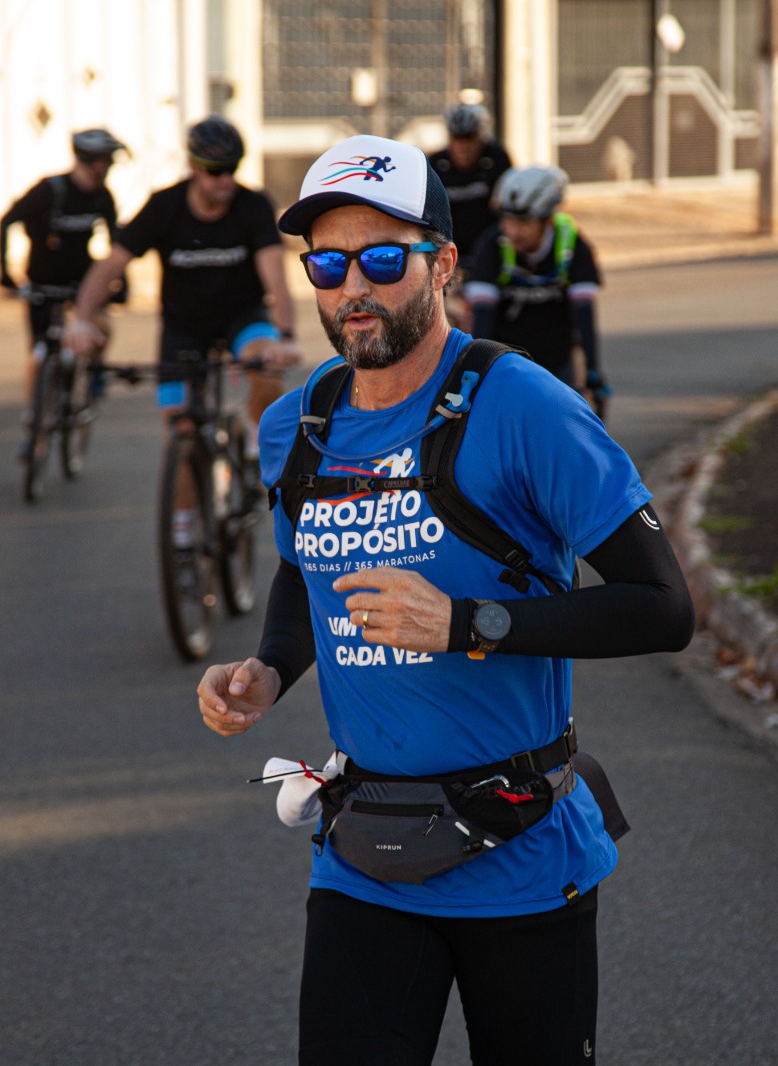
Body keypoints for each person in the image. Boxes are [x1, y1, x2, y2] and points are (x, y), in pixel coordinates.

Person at [196, 134, 694, 1065]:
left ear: (443, 264)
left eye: (385, 259)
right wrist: (268, 667)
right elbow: (308, 568)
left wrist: (466, 625)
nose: (355, 288)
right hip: (365, 859)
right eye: (329, 262)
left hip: (520, 857)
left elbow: (663, 607)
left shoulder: (526, 407)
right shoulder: (293, 426)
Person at [64, 116, 300, 542]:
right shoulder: (164, 206)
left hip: (241, 319)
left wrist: (284, 337)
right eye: (214, 171)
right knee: (179, 430)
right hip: (183, 328)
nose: (225, 179)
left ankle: (252, 443)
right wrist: (81, 319)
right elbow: (111, 265)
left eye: (233, 168)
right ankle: (184, 533)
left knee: (265, 364)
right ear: (193, 167)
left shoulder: (252, 206)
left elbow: (275, 279)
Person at [0, 128, 128, 441]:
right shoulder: (49, 190)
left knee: (102, 328)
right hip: (42, 281)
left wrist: (122, 283)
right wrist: (4, 271)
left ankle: (93, 372)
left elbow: (119, 246)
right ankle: (35, 418)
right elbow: (7, 221)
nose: (105, 169)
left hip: (81, 282)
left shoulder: (103, 197)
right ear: (92, 162)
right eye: (103, 162)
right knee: (40, 351)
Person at [464, 165, 610, 412]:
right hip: (506, 358)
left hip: (557, 356)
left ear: (547, 219)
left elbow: (584, 312)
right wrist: (476, 373)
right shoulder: (493, 244)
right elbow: (482, 318)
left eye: (523, 222)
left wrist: (593, 372)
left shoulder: (572, 245)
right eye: (507, 220)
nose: (513, 231)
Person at [427, 102, 512, 268]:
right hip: (448, 248)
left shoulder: (496, 159)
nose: (463, 147)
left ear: (480, 136)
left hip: (490, 249)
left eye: (469, 138)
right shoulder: (436, 165)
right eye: (457, 139)